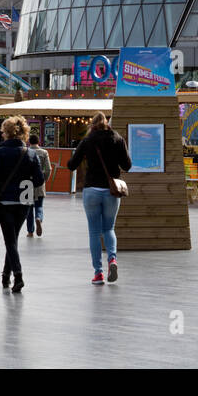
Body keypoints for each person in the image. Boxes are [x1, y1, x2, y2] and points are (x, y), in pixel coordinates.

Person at [66, 112, 132, 285]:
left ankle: (98, 273)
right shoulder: (117, 138)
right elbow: (127, 165)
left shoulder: (87, 141)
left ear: (92, 125)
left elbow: (72, 165)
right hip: (112, 191)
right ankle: (112, 260)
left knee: (94, 232)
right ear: (107, 123)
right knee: (109, 229)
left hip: (91, 190)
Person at [0, 116, 43, 293]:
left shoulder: (1, 152)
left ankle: (18, 276)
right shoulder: (31, 153)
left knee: (10, 240)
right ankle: (5, 275)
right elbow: (39, 179)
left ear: (8, 133)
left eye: (3, 131)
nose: (1, 134)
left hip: (5, 201)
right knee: (12, 239)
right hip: (24, 202)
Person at [25, 132, 50, 238]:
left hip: (27, 184)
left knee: (29, 209)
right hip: (39, 184)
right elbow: (48, 168)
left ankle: (30, 232)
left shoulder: (25, 152)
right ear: (38, 142)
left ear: (29, 142)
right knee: (39, 206)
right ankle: (38, 218)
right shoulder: (44, 152)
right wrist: (44, 179)